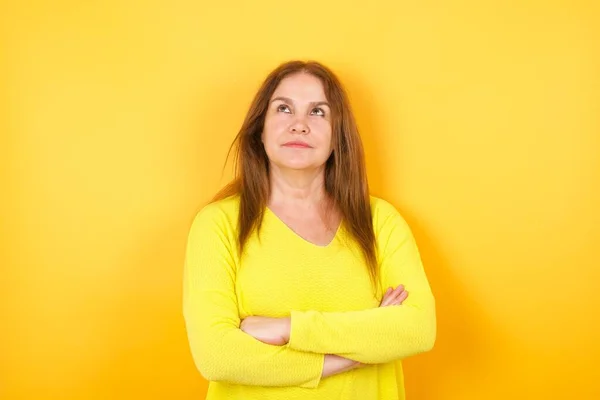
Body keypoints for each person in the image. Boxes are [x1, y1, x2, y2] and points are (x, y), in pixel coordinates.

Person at [182, 60, 436, 400]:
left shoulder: (380, 222)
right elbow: (217, 356)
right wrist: (355, 350)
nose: (299, 125)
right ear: (260, 129)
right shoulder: (217, 224)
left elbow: (417, 329)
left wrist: (287, 328)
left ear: (337, 136)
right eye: (284, 109)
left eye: (318, 112)